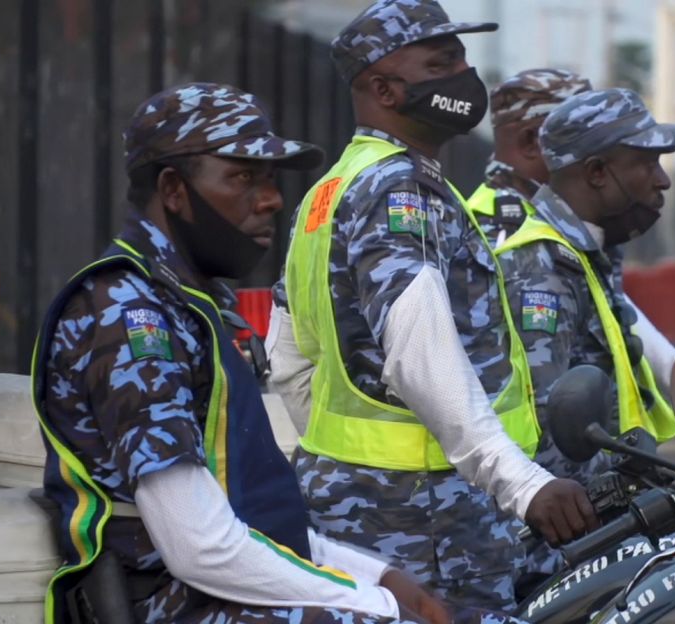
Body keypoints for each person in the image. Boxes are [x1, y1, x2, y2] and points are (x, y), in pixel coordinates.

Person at [33, 82, 461, 624]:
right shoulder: (129, 313)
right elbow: (200, 547)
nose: (272, 199)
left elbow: (253, 518)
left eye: (270, 179)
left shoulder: (191, 304)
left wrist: (380, 577)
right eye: (242, 177)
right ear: (173, 189)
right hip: (172, 606)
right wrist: (376, 604)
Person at [273, 0, 597, 612]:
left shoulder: (329, 191)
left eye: (463, 58)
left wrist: (352, 464)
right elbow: (418, 351)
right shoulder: (402, 188)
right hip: (429, 518)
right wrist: (521, 482)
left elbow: (289, 360)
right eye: (441, 61)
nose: (464, 75)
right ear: (383, 88)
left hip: (354, 502)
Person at [494, 88, 675, 576]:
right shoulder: (542, 269)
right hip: (565, 542)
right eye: (647, 164)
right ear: (598, 173)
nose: (662, 181)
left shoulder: (584, 255)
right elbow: (549, 427)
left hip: (611, 513)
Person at [467, 69, 591, 244]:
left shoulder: (557, 214)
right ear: (531, 141)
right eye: (579, 135)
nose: (594, 149)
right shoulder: (501, 231)